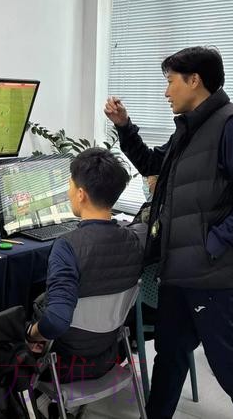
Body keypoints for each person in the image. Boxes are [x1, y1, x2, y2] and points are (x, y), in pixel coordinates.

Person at [105, 46, 233, 419]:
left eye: (171, 82)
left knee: (231, 366)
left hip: (213, 275)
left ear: (194, 80)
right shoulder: (189, 128)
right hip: (179, 272)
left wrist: (211, 243)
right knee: (169, 356)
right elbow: (153, 164)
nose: (166, 92)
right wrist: (124, 126)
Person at [26, 148, 145, 383]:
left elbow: (56, 321)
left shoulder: (66, 247)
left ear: (81, 194)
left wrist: (31, 333)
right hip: (111, 356)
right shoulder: (135, 241)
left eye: (70, 185)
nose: (68, 192)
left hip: (64, 365)